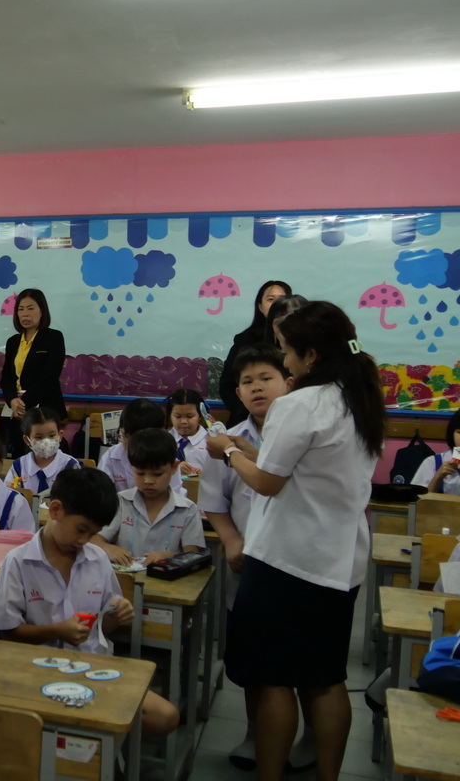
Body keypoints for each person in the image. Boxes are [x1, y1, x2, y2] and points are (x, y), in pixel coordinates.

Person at [207, 301, 385, 781]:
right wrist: (249, 450)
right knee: (326, 679)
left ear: (311, 354)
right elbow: (303, 468)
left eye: (286, 352)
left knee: (273, 681)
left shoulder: (300, 403)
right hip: (339, 561)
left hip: (286, 562)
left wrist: (228, 452)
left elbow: (269, 483)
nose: (284, 363)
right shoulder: (359, 398)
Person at [198, 343, 317, 771]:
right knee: (253, 659)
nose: (256, 387)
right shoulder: (226, 442)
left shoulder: (308, 435)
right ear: (238, 392)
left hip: (301, 565)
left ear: (289, 382)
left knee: (304, 658)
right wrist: (231, 541)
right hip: (247, 566)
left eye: (266, 378)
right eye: (247, 382)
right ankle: (254, 731)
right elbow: (215, 502)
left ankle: (310, 736)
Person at [0, 466, 179, 737]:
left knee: (165, 717)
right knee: (58, 725)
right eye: (80, 529)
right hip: (36, 668)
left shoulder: (97, 559)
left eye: (93, 534)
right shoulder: (19, 562)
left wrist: (116, 617)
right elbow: (8, 632)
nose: (83, 541)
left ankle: (93, 741)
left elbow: (102, 630)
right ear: (55, 510)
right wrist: (56, 631)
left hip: (92, 666)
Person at [91, 428, 206, 567]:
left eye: (157, 474)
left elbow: (193, 555)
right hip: (127, 578)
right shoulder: (121, 501)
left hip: (167, 578)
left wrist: (169, 556)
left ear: (174, 467)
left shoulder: (187, 509)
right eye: (140, 473)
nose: (148, 481)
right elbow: (93, 539)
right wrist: (108, 549)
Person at [1, 289, 67, 457]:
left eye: (30, 308)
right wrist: (12, 401)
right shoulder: (13, 342)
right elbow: (6, 378)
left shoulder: (53, 338)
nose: (25, 313)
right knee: (20, 457)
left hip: (44, 409)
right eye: (20, 309)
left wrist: (23, 404)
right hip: (16, 411)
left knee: (46, 457)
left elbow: (49, 377)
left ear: (42, 311)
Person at [219, 280, 291, 426]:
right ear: (260, 307)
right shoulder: (245, 340)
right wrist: (251, 415)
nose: (276, 305)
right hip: (248, 420)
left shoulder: (300, 342)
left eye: (282, 299)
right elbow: (227, 385)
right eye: (270, 299)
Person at [96, 398, 182, 496]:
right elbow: (101, 493)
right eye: (125, 436)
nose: (130, 444)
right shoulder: (111, 457)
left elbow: (174, 495)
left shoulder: (166, 460)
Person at [6, 406, 81, 495]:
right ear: (27, 440)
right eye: (39, 437)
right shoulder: (19, 467)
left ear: (60, 435)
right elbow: (8, 494)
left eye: (52, 435)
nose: (46, 442)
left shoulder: (72, 467)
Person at [411, 409, 460, 494]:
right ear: (452, 433)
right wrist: (438, 476)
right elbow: (417, 499)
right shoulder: (432, 462)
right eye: (459, 432)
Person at [166, 388, 209, 475]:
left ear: (200, 415)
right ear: (170, 416)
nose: (184, 422)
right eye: (178, 417)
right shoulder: (162, 440)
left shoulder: (211, 441)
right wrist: (174, 468)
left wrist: (204, 475)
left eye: (190, 416)